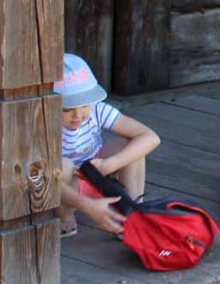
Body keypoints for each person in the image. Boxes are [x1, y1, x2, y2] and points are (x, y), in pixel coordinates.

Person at [55, 54, 160, 237]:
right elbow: (45, 176)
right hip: (65, 184)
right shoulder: (45, 120)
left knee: (130, 146)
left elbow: (150, 137)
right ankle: (64, 217)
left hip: (97, 170)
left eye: (84, 105)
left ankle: (131, 212)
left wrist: (110, 164)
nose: (77, 115)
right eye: (67, 109)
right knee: (63, 166)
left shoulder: (97, 110)